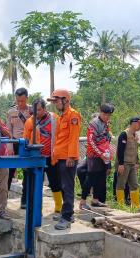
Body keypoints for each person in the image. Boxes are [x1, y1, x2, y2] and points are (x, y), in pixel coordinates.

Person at [23, 98, 61, 218]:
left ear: (45, 109)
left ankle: (59, 208)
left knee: (55, 182)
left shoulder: (54, 119)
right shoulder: (29, 122)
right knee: (35, 184)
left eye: (39, 110)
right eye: (34, 110)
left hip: (52, 156)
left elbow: (61, 135)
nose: (36, 113)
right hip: (36, 158)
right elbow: (25, 140)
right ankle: (37, 209)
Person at [49, 89, 81, 230]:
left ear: (65, 100)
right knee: (63, 186)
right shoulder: (62, 116)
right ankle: (67, 212)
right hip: (60, 157)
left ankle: (66, 217)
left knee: (67, 187)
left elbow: (73, 138)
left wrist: (71, 156)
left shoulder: (73, 115)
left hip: (68, 158)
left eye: (57, 101)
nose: (55, 104)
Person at [80, 104, 114, 210]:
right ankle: (82, 201)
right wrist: (100, 154)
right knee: (90, 178)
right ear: (100, 112)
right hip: (94, 155)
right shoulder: (93, 123)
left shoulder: (106, 123)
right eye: (105, 114)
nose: (107, 117)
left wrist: (106, 152)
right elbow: (91, 141)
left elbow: (107, 137)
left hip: (103, 154)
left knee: (100, 178)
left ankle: (95, 200)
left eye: (109, 115)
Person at [6, 87, 33, 209]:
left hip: (28, 144)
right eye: (18, 101)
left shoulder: (33, 111)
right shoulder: (11, 112)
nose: (20, 103)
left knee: (27, 173)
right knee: (9, 172)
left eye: (22, 101)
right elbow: (8, 130)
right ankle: (3, 200)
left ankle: (24, 200)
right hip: (15, 143)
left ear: (27, 98)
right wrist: (10, 146)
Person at [116, 116, 140, 208]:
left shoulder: (135, 135)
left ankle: (136, 206)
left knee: (134, 184)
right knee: (121, 184)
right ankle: (120, 205)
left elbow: (135, 150)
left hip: (132, 163)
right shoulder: (124, 134)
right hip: (124, 163)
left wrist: (137, 162)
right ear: (134, 123)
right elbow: (120, 150)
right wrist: (120, 164)